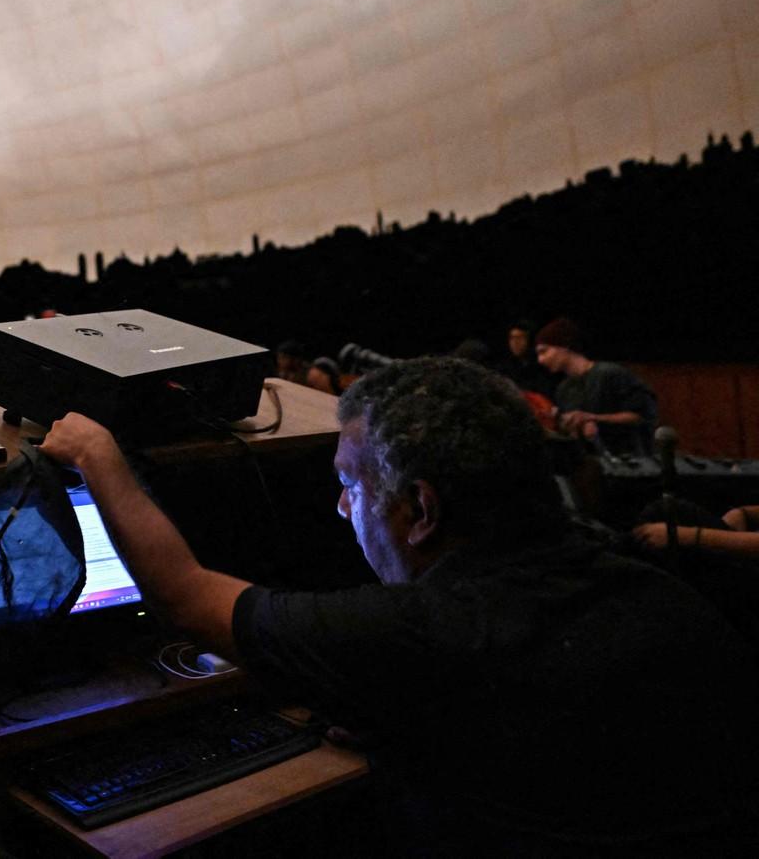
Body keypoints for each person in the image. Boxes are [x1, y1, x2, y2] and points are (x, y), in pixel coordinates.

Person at [40, 357, 758, 854]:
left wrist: (99, 455)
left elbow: (188, 597)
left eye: (351, 486)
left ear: (419, 509)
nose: (341, 507)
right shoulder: (655, 592)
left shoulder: (424, 631)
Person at [534, 317, 656, 455]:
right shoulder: (564, 389)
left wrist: (594, 419)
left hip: (631, 464)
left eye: (544, 351)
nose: (540, 360)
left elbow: (643, 416)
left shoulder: (610, 373)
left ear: (564, 346)